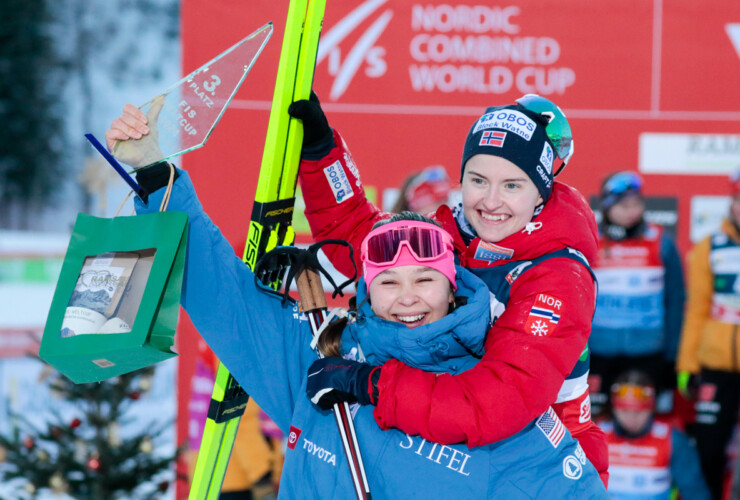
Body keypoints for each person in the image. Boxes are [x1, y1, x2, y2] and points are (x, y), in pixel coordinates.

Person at [111, 147, 607, 496]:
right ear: (367, 290)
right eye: (388, 283)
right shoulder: (323, 360)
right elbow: (223, 296)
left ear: (453, 285)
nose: (407, 300)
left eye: (424, 281)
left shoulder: (493, 408)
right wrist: (157, 177)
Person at [287, 92, 609, 484]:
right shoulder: (454, 234)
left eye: (512, 185)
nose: (491, 201)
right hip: (465, 463)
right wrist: (323, 155)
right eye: (478, 180)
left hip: (543, 477)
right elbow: (360, 237)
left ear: (540, 192)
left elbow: (494, 404)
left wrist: (368, 383)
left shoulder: (559, 276)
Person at [588, 171, 685, 416]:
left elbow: (676, 300)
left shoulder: (661, 240)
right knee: (594, 423)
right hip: (599, 353)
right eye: (623, 205)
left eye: (636, 204)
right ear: (608, 207)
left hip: (648, 354)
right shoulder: (590, 240)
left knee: (643, 424)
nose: (631, 211)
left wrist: (671, 356)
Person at [676, 168, 740, 500]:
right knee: (709, 452)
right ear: (732, 202)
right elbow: (697, 310)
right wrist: (688, 365)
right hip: (715, 365)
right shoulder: (709, 249)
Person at [598, 369, 711, 500]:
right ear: (614, 408)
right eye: (624, 411)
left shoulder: (672, 440)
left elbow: (694, 491)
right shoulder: (597, 436)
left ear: (651, 408)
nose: (631, 419)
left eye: (638, 412)